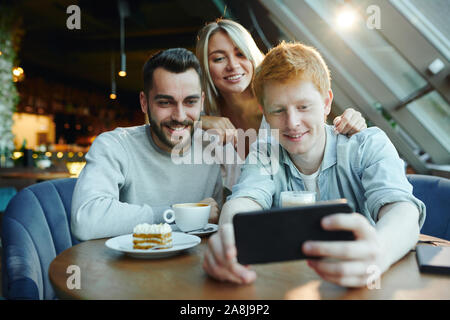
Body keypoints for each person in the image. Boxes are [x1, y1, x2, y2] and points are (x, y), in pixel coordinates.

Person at [203, 41, 426, 287]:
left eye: (303, 107)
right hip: (287, 286)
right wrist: (230, 236)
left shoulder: (367, 145)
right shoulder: (264, 154)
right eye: (278, 110)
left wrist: (379, 252)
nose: (292, 122)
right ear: (264, 113)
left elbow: (402, 211)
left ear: (327, 103)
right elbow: (244, 201)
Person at [195, 19, 367, 190]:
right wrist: (196, 123)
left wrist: (352, 124)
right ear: (205, 66)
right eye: (219, 58)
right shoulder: (203, 116)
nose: (232, 65)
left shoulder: (285, 107)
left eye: (240, 54)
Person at [71, 48, 223, 241]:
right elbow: (85, 221)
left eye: (190, 102)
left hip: (196, 266)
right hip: (128, 268)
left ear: (201, 102)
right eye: (165, 103)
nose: (180, 116)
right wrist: (179, 214)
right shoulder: (115, 145)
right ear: (144, 103)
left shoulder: (214, 149)